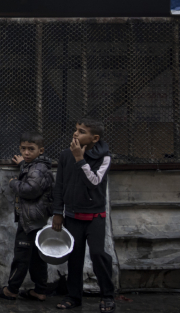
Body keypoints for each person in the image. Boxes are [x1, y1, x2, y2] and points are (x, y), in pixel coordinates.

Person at [52, 119, 115, 312]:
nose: (75, 134)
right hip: (72, 216)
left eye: (81, 131)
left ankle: (107, 296)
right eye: (75, 130)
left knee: (97, 254)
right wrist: (58, 212)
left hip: (95, 216)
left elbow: (94, 182)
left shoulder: (104, 157)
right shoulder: (65, 155)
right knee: (75, 257)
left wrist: (80, 159)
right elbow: (59, 185)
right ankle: (74, 297)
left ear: (94, 138)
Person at [0, 132, 53, 302]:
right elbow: (31, 174)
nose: (26, 153)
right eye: (23, 149)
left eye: (31, 149)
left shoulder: (38, 168)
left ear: (40, 150)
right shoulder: (35, 165)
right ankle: (40, 290)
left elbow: (30, 190)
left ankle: (11, 290)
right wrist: (22, 165)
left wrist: (13, 183)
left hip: (30, 219)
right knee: (37, 256)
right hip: (36, 218)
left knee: (21, 256)